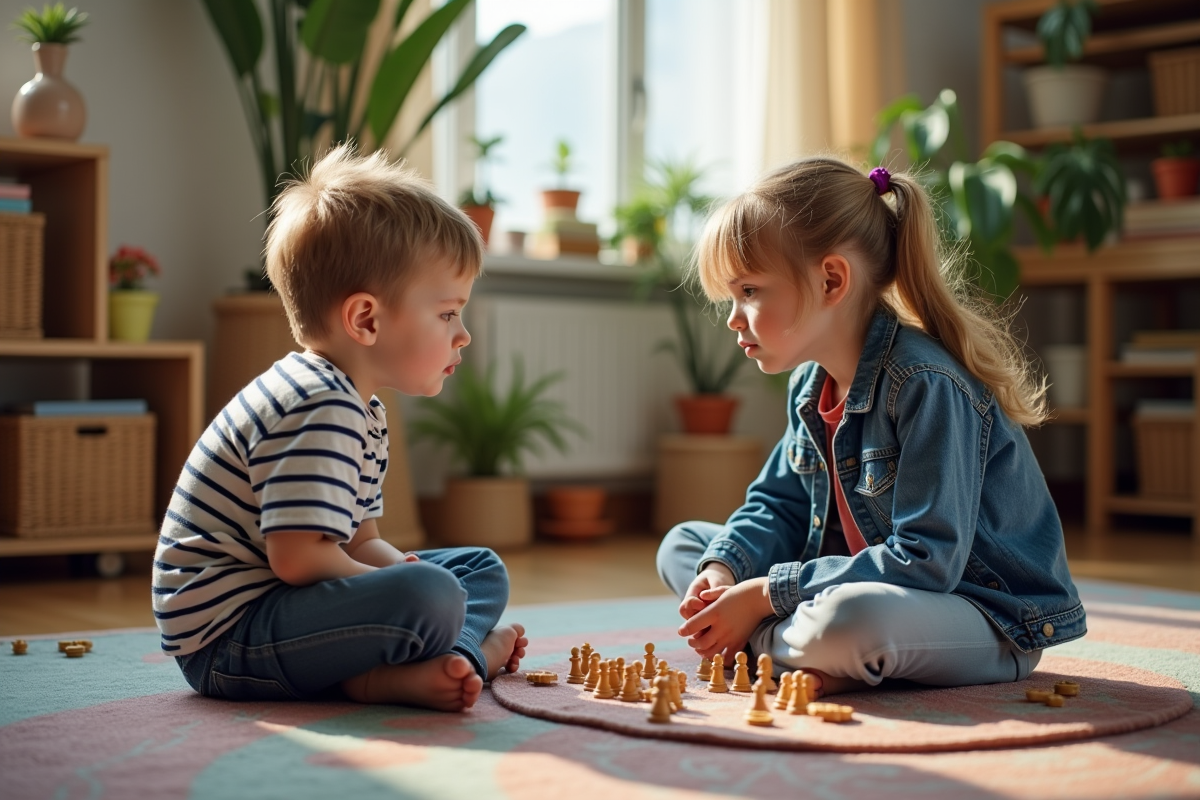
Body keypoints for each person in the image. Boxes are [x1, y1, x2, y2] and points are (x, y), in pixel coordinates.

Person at [657, 158, 1085, 698]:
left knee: (851, 621)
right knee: (686, 546)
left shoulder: (925, 384)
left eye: (749, 291)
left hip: (983, 613)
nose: (733, 317)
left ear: (831, 280)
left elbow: (927, 563)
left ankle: (770, 642)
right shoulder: (811, 386)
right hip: (855, 588)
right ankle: (797, 650)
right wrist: (722, 574)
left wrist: (765, 595)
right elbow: (778, 506)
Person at [153, 144, 526, 712]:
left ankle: (440, 658)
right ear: (366, 319)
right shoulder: (316, 406)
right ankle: (406, 669)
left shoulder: (359, 407)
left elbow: (360, 540)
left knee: (477, 570)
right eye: (448, 313)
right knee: (432, 593)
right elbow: (299, 558)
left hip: (284, 607)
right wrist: (403, 589)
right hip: (229, 642)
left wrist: (396, 571)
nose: (463, 335)